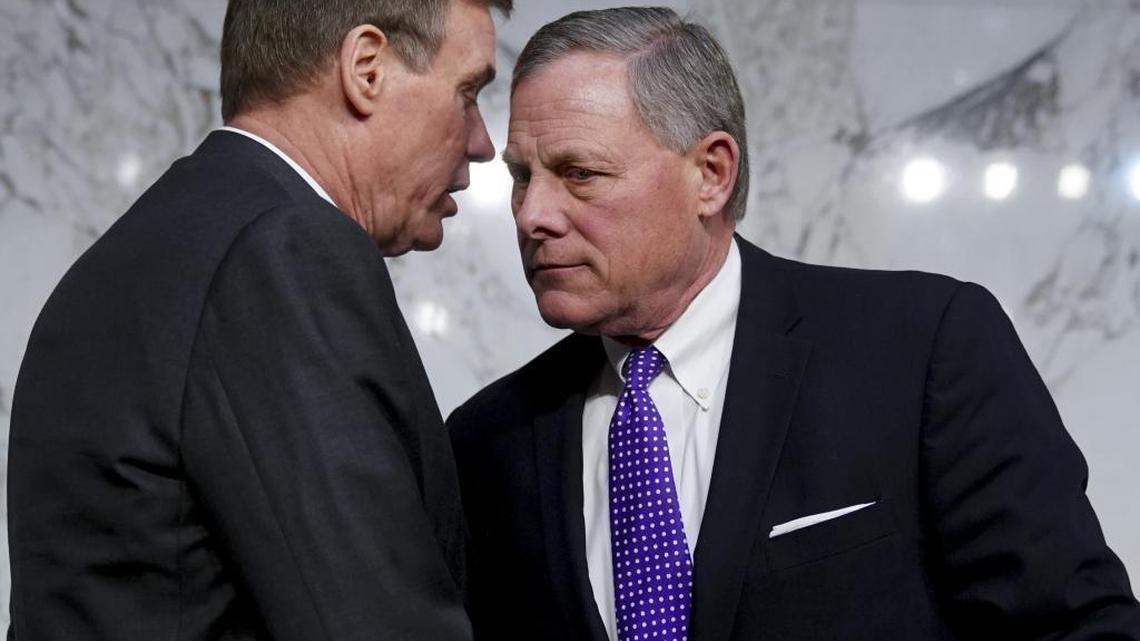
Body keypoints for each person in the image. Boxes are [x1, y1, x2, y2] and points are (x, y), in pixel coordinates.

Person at [447, 7, 1140, 641]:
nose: (533, 213)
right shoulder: (487, 442)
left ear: (711, 174)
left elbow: (1076, 628)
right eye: (521, 176)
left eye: (579, 173)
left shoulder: (922, 352)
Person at [6, 0, 510, 639]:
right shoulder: (283, 249)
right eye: (468, 92)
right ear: (367, 68)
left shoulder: (144, 248)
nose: (482, 143)